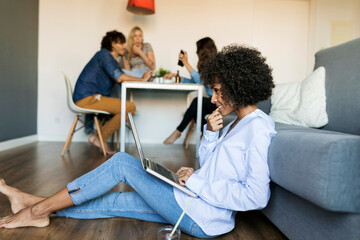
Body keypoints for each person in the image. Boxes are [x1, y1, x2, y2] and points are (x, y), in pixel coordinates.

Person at [0, 45, 276, 238]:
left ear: (238, 86)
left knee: (120, 162)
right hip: (193, 202)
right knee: (116, 203)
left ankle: (36, 210)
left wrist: (196, 182)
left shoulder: (258, 129)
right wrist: (211, 135)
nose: (213, 99)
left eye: (216, 91)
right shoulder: (235, 124)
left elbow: (256, 196)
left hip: (203, 216)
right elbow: (213, 166)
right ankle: (32, 203)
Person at [72, 30, 152, 155]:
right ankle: (98, 138)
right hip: (87, 98)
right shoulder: (104, 55)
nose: (125, 46)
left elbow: (123, 75)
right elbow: (119, 77)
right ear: (113, 44)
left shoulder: (110, 60)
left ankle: (99, 137)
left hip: (92, 98)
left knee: (128, 108)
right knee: (129, 107)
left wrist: (142, 77)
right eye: (122, 43)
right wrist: (142, 79)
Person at [163, 37, 218, 144]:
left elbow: (201, 80)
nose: (196, 52)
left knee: (197, 102)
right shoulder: (206, 66)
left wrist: (186, 63)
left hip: (219, 102)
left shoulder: (215, 65)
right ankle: (210, 138)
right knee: (198, 109)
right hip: (212, 102)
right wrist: (176, 77)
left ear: (203, 52)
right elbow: (196, 81)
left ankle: (178, 131)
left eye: (198, 50)